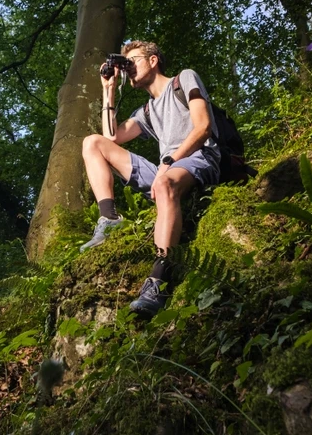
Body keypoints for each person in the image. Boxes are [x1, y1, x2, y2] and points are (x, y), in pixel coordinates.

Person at [79, 40, 221, 317]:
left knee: (165, 182)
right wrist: (108, 89)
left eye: (132, 61)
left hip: (199, 158)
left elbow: (203, 127)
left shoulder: (184, 79)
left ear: (153, 61)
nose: (128, 68)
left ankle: (159, 280)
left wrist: (168, 162)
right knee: (92, 143)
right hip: (165, 169)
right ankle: (109, 220)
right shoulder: (147, 110)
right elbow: (112, 137)